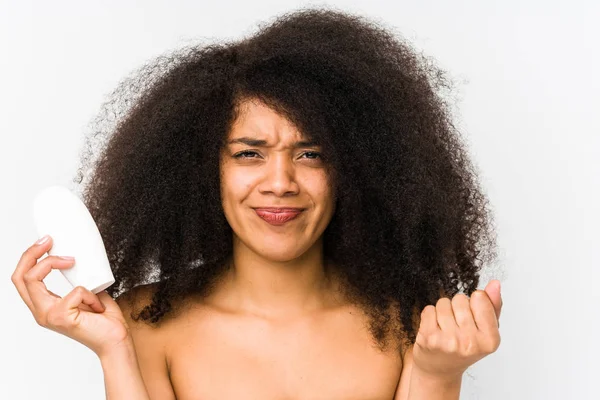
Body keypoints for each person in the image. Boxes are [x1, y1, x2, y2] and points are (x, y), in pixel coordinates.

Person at [11, 7, 503, 400]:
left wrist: (439, 375)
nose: (280, 182)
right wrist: (113, 350)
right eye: (250, 154)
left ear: (353, 169)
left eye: (310, 154)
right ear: (206, 170)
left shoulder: (407, 324)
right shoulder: (144, 322)